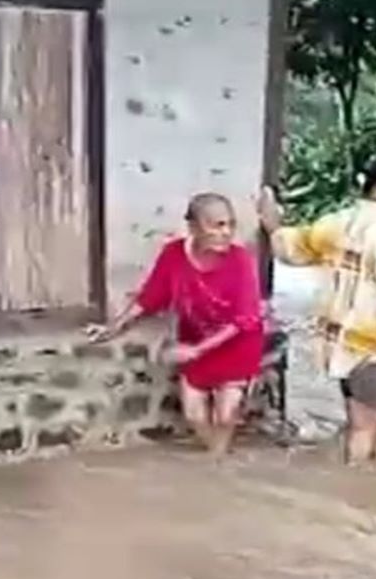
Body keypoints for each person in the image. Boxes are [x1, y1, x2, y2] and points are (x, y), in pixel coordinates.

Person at [257, 155, 376, 468]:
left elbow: (291, 249)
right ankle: (373, 493)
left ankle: (357, 487)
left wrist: (273, 223)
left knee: (362, 423)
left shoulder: (339, 222)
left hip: (341, 350)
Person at [87, 193, 264, 456]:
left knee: (226, 415)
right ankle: (217, 457)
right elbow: (150, 297)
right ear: (193, 227)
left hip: (236, 343)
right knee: (193, 414)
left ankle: (218, 461)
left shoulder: (241, 261)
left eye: (230, 225)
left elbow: (243, 319)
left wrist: (197, 350)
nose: (226, 233)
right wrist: (115, 326)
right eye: (217, 225)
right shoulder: (173, 255)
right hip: (196, 338)